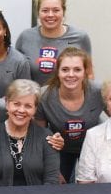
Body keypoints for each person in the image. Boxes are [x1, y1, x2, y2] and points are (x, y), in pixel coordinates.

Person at [36, 47, 103, 183]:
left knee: (95, 189)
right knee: (57, 186)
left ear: (85, 73)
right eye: (65, 69)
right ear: (58, 72)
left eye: (77, 70)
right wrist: (53, 170)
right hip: (60, 148)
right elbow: (40, 135)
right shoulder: (44, 95)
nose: (71, 74)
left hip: (92, 147)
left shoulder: (98, 92)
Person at [0, 79, 60, 186]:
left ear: (35, 109)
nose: (21, 110)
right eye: (16, 104)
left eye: (28, 106)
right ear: (7, 104)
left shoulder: (47, 138)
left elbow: (52, 180)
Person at [15, 0, 92, 85]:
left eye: (56, 10)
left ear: (63, 11)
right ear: (38, 13)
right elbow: (17, 76)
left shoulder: (80, 37)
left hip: (68, 100)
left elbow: (89, 75)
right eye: (45, 10)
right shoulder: (25, 37)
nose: (50, 15)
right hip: (34, 100)